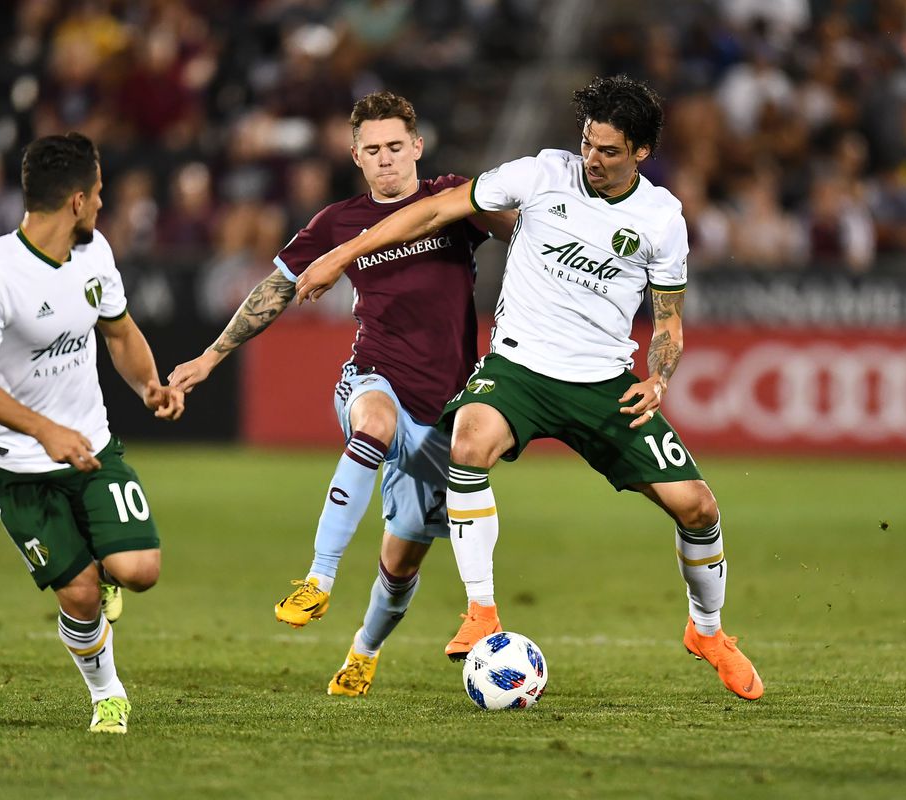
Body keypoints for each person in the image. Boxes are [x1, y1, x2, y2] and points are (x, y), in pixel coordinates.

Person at [296, 75, 764, 700]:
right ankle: (482, 611)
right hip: (517, 367)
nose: (592, 160)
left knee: (698, 507)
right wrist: (337, 255)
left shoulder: (661, 217)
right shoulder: (542, 173)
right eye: (588, 144)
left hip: (603, 382)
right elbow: (435, 209)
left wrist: (661, 377)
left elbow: (669, 319)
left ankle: (708, 631)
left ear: (641, 153)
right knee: (468, 439)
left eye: (609, 152)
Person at [168, 91, 515, 696]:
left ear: (417, 147)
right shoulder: (336, 222)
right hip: (374, 375)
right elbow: (275, 290)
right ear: (356, 156)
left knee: (401, 564)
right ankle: (318, 579)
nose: (385, 160)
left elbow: (515, 225)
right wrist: (211, 355)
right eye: (373, 150)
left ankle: (365, 648)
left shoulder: (450, 197)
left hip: (447, 413)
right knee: (372, 423)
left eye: (395, 148)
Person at [0, 132, 185, 733]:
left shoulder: (95, 252)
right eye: (101, 194)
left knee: (140, 570)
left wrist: (148, 386)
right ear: (77, 201)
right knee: (80, 597)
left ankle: (105, 569)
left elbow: (120, 331)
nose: (105, 205)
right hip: (16, 459)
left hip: (91, 442)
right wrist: (44, 431)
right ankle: (108, 695)